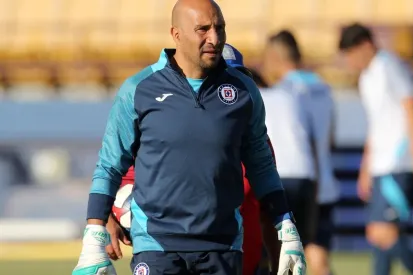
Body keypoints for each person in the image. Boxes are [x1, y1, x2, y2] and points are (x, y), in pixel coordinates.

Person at [72, 1, 306, 275]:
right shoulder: (139, 89)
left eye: (220, 28)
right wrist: (94, 231)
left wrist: (286, 223)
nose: (214, 38)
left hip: (223, 247)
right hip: (157, 247)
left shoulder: (244, 92)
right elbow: (110, 165)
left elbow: (262, 165)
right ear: (176, 34)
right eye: (203, 29)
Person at [104, 43, 281, 275]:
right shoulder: (166, 134)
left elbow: (270, 213)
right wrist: (109, 220)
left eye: (236, 77)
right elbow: (115, 177)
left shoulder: (258, 142)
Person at [338, 23, 413, 275]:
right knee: (379, 238)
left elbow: (410, 105)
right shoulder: (367, 78)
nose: (349, 62)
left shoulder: (389, 66)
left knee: (382, 232)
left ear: (365, 45)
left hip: (398, 162)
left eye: (350, 54)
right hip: (380, 165)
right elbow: (375, 125)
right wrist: (365, 169)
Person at [262, 30, 339, 275]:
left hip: (291, 176)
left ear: (275, 56)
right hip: (322, 183)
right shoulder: (322, 87)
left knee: (282, 256)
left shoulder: (285, 92)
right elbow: (329, 139)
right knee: (317, 258)